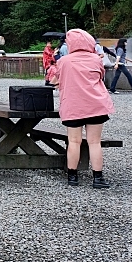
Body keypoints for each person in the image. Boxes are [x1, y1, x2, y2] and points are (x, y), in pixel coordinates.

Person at [49, 29, 114, 188]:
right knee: (94, 142)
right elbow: (100, 77)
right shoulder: (96, 59)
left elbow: (54, 80)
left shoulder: (64, 61)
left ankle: (72, 178)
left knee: (74, 141)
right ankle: (98, 179)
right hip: (96, 105)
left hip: (73, 106)